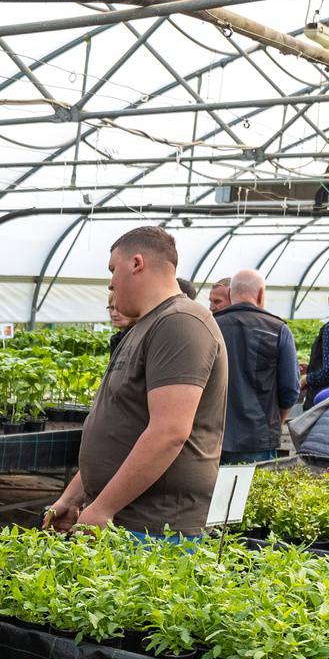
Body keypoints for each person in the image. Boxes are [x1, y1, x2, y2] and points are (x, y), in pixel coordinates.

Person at [46, 226, 227, 537]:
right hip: (126, 521)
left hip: (154, 529)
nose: (110, 282)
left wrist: (103, 508)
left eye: (113, 270)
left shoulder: (181, 323)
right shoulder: (146, 325)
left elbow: (169, 432)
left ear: (137, 263)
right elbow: (121, 421)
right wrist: (74, 495)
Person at [213, 268, 298, 464]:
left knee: (214, 494)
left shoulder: (212, 327)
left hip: (213, 437)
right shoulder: (278, 330)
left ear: (230, 295)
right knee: (253, 493)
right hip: (258, 438)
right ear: (261, 294)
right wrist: (273, 425)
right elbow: (290, 390)